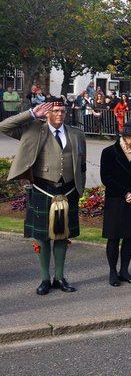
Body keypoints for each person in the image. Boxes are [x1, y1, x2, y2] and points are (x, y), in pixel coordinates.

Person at [0, 99, 87, 295]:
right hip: (42, 188)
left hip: (68, 190)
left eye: (62, 111)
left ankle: (59, 277)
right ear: (47, 112)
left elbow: (81, 165)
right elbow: (4, 126)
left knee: (63, 236)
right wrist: (31, 113)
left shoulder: (76, 134)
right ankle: (45, 279)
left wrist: (79, 187)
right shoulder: (32, 129)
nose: (59, 114)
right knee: (42, 237)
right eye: (55, 111)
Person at [100, 121, 131, 286]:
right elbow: (106, 178)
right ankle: (113, 272)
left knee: (130, 237)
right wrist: (125, 193)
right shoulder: (108, 152)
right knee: (114, 238)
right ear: (124, 135)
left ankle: (125, 270)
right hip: (117, 201)